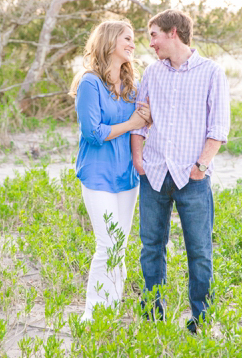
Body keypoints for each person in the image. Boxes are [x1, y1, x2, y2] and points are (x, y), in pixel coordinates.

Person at [131, 9, 230, 333]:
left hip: (193, 179)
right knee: (151, 249)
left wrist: (200, 167)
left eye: (154, 35)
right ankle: (152, 318)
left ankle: (200, 321)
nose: (151, 44)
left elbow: (218, 127)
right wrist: (138, 160)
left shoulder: (211, 72)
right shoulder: (152, 73)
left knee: (200, 252)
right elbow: (140, 122)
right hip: (155, 174)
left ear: (173, 32)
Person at [69, 20, 151, 322]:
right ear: (109, 41)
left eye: (133, 39)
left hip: (127, 176)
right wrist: (132, 123)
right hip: (98, 175)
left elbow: (146, 121)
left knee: (120, 246)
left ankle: (112, 307)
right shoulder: (90, 82)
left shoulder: (132, 84)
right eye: (127, 38)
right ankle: (93, 315)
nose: (132, 43)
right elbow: (92, 132)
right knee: (108, 244)